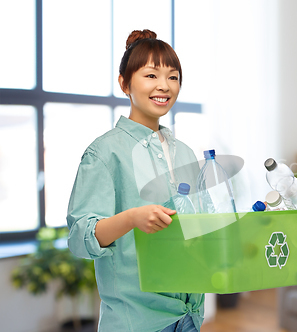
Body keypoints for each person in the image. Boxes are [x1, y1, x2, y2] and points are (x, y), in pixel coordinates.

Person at [67, 29, 204, 332]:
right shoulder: (104, 152)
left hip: (189, 317)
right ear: (124, 83)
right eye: (151, 76)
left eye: (173, 77)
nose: (164, 86)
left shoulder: (184, 153)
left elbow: (197, 227)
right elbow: (80, 237)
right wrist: (132, 218)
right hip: (137, 322)